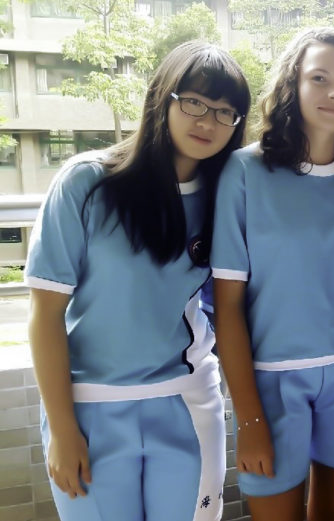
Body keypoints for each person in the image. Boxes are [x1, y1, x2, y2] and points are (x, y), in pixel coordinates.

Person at [25, 41, 250, 521]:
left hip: (184, 402)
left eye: (225, 111)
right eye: (194, 102)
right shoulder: (87, 183)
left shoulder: (224, 198)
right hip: (90, 407)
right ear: (162, 97)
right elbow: (45, 315)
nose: (207, 121)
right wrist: (63, 430)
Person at [211, 27, 334, 521]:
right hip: (273, 380)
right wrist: (249, 416)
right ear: (292, 84)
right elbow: (227, 306)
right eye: (320, 78)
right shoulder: (245, 173)